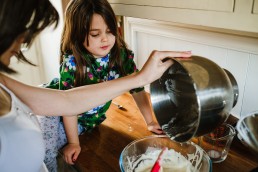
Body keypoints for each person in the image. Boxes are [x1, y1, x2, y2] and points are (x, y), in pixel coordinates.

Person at [0, 0, 191, 171]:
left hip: (86, 120)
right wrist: (74, 142)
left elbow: (137, 88)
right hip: (56, 118)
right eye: (95, 34)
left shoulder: (121, 57)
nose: (105, 39)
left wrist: (150, 120)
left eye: (110, 31)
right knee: (49, 152)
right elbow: (67, 107)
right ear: (78, 35)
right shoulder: (73, 64)